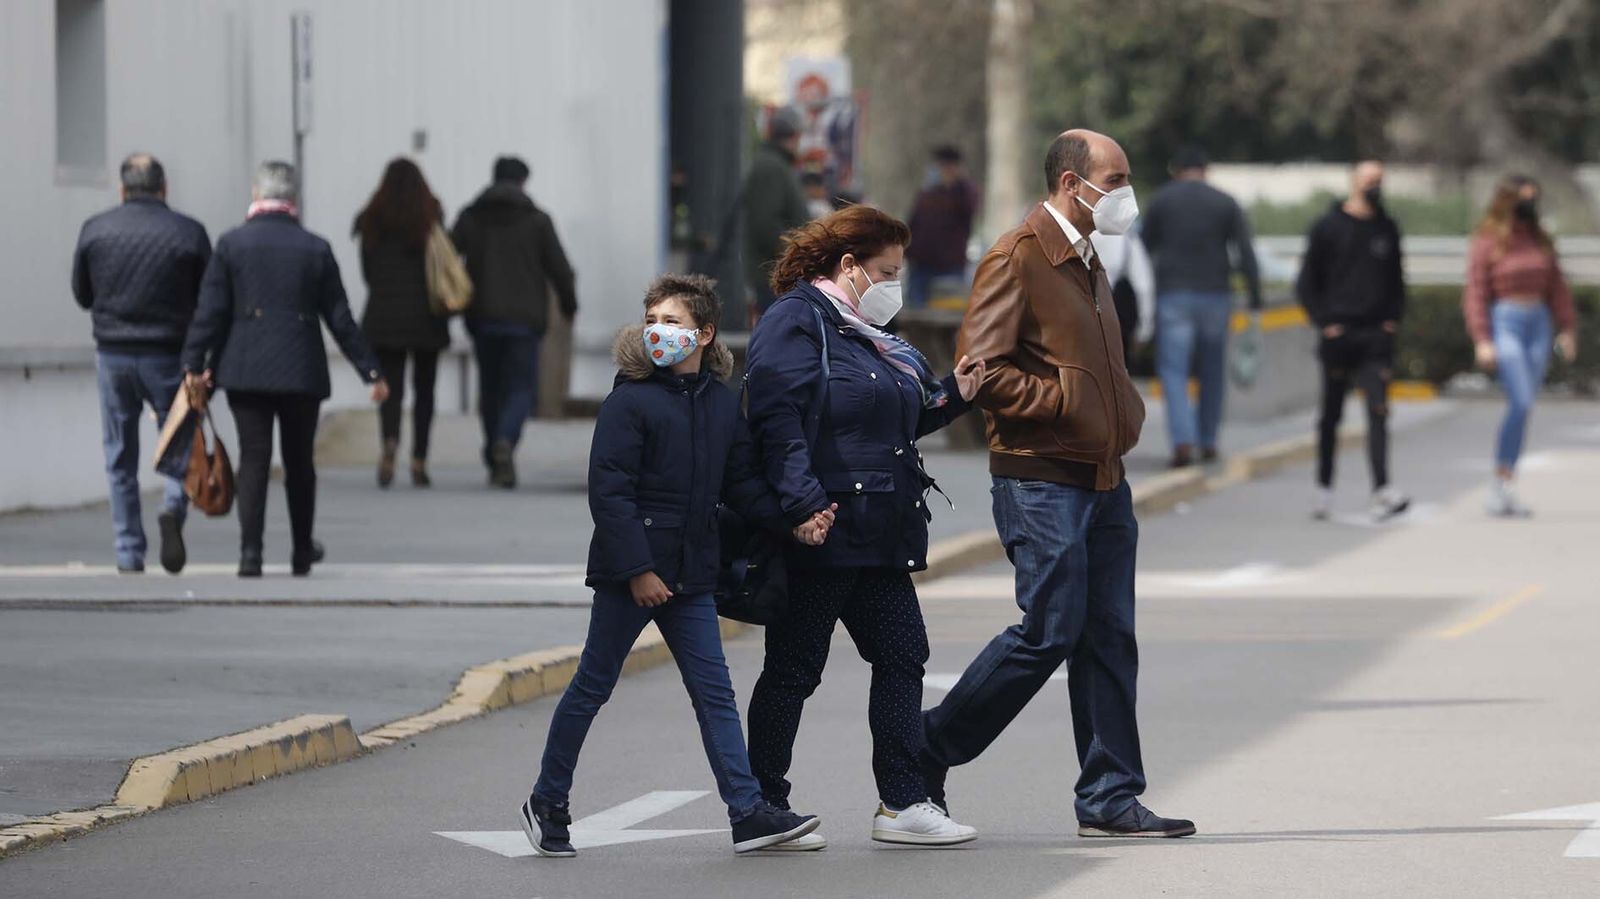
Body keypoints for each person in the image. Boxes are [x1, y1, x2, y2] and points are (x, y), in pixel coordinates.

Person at [922, 130, 1195, 840]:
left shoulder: (1086, 256)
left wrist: (1116, 410)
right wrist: (1066, 402)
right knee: (1048, 631)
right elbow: (979, 368)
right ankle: (924, 747)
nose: (1128, 192)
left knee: (1108, 636)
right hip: (1041, 477)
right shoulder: (1018, 255)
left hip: (1104, 476)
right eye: (1118, 177)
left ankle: (1109, 795)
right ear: (1074, 184)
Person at [522, 274, 828, 858]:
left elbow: (741, 483)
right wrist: (637, 569)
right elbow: (610, 495)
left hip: (691, 578)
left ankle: (746, 815)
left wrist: (793, 521)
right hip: (630, 575)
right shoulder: (628, 401)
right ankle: (547, 800)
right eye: (652, 321)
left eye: (672, 322)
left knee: (715, 695)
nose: (658, 332)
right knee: (592, 687)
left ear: (705, 334)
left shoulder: (718, 403)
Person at [744, 205, 985, 848]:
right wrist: (800, 506)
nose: (893, 284)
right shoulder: (797, 323)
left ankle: (903, 802)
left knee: (904, 655)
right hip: (823, 528)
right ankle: (760, 804)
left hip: (881, 529)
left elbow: (893, 419)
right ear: (847, 266)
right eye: (885, 270)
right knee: (796, 669)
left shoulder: (870, 337)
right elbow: (776, 419)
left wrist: (954, 393)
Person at [182, 162, 389, 578]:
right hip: (301, 370)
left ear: (257, 194)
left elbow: (210, 312)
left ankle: (250, 554)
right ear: (293, 199)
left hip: (244, 369)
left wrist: (192, 364)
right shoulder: (315, 248)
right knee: (299, 463)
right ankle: (300, 552)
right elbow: (340, 318)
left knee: (253, 459)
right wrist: (371, 372)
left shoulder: (232, 245)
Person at [72, 153, 212, 575]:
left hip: (113, 355)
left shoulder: (95, 230)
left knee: (119, 453)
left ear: (122, 189)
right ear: (164, 188)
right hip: (169, 355)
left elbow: (83, 294)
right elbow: (208, 301)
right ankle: (172, 505)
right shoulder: (189, 233)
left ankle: (128, 551)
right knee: (181, 440)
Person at [452, 156, 578, 489]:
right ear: (523, 182)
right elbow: (560, 268)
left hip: (482, 317)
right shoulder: (537, 221)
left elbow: (449, 261)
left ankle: (495, 453)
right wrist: (569, 304)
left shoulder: (470, 217)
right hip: (524, 321)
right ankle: (505, 441)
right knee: (521, 388)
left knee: (490, 389)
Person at [1297, 161, 1412, 522]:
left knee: (1378, 411)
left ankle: (1382, 489)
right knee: (1330, 415)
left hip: (1376, 337)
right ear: (1353, 182)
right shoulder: (1328, 227)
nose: (1375, 187)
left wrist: (1392, 320)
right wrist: (1324, 322)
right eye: (1369, 181)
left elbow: (1397, 280)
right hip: (1338, 335)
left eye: (1380, 180)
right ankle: (1323, 489)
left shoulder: (1387, 228)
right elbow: (1306, 282)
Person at [1462, 175, 1579, 517]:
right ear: (1506, 201)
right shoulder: (1489, 240)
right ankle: (1499, 484)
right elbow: (1476, 291)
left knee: (1525, 407)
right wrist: (1482, 339)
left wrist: (1567, 327)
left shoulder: (1538, 239)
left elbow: (1557, 285)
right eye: (1523, 200)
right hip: (1506, 319)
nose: (1528, 207)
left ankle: (1505, 483)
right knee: (1522, 399)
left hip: (1538, 321)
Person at [1140, 145, 1263, 467]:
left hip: (1173, 295)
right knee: (1212, 371)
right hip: (1215, 296)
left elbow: (1142, 248)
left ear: (1176, 170)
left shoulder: (1162, 200)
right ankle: (1208, 440)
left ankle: (1182, 441)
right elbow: (1246, 251)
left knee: (1174, 371)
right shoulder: (1224, 202)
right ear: (1205, 170)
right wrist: (1255, 296)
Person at [353, 158, 451, 489]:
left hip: (384, 317)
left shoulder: (371, 221)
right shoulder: (430, 219)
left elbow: (367, 274)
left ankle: (390, 442)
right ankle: (420, 458)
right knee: (425, 391)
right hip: (426, 318)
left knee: (389, 390)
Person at [743, 108, 810, 325]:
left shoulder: (775, 164)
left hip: (778, 274)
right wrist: (798, 255)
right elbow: (766, 225)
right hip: (774, 276)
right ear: (795, 136)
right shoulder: (772, 167)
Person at [905, 145, 979, 309]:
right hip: (920, 266)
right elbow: (914, 223)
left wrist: (957, 183)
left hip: (950, 266)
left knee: (947, 316)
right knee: (916, 316)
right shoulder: (926, 194)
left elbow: (971, 209)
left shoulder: (964, 192)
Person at [1097, 231, 1157, 361]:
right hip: (1115, 318)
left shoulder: (1068, 233)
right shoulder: (1126, 237)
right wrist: (1144, 330)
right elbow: (1143, 287)